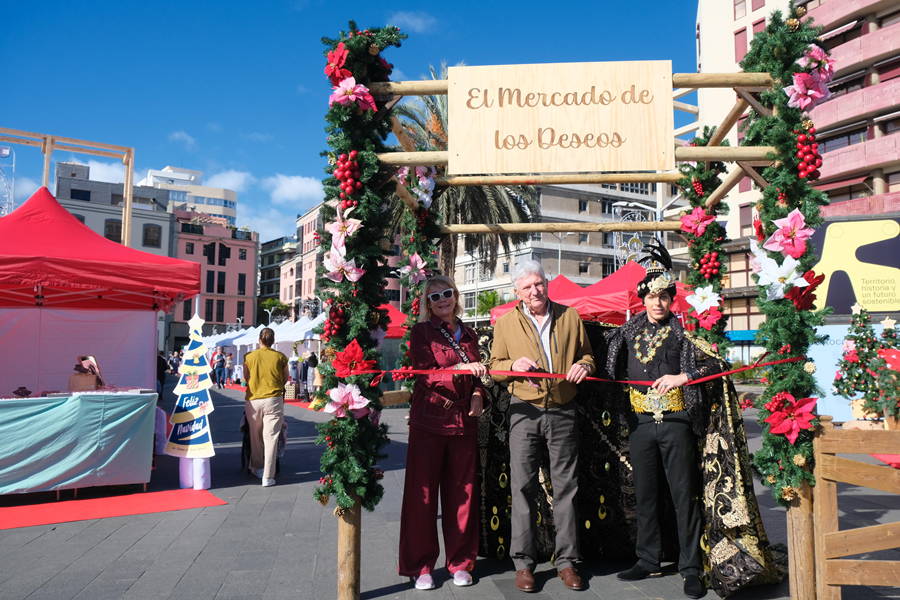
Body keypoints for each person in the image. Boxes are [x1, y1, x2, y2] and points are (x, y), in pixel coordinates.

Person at [601, 242, 718, 600]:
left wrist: (685, 377)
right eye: (651, 296)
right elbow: (602, 360)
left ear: (671, 299)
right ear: (642, 298)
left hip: (676, 421)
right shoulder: (625, 332)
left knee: (684, 495)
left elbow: (717, 364)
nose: (657, 303)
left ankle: (690, 568)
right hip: (639, 425)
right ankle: (647, 558)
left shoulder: (685, 334)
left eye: (664, 296)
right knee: (646, 495)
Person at [489, 259, 595, 593]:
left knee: (566, 488)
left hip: (563, 409)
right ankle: (523, 564)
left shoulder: (570, 316)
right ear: (516, 292)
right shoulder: (505, 323)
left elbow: (588, 356)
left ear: (545, 284)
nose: (535, 291)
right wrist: (512, 364)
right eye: (527, 287)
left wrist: (582, 365)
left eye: (539, 284)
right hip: (524, 411)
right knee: (522, 489)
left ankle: (567, 562)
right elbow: (494, 370)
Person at [399, 275, 487, 590]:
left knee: (462, 494)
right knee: (421, 496)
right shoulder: (421, 332)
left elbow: (478, 372)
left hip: (464, 421)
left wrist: (478, 392)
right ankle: (421, 566)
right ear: (427, 304)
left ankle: (461, 562)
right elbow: (426, 372)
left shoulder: (470, 333)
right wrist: (464, 371)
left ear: (456, 295)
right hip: (429, 421)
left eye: (447, 294)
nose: (442, 300)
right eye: (435, 297)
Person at [243, 328, 289, 487]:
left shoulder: (249, 357)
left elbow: (246, 378)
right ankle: (268, 477)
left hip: (253, 399)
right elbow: (284, 380)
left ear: (259, 340)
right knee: (271, 437)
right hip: (273, 399)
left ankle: (257, 467)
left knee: (255, 436)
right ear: (273, 340)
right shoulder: (280, 357)